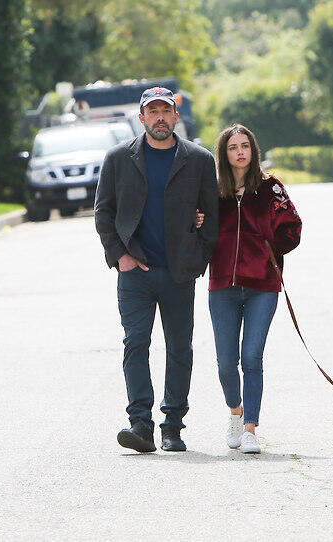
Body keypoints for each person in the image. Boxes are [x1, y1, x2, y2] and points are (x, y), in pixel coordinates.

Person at [94, 87, 219, 453]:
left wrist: (198, 260)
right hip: (135, 273)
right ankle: (140, 424)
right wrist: (121, 256)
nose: (160, 117)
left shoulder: (198, 160)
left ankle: (173, 425)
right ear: (141, 117)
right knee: (136, 343)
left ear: (176, 116)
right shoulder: (118, 159)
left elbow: (211, 217)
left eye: (166, 110)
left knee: (180, 348)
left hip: (179, 272)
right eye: (153, 112)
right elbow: (104, 213)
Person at [196, 124, 302, 453]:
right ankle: (235, 413)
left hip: (262, 285)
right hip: (222, 285)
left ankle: (250, 429)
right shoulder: (213, 191)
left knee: (251, 357)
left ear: (253, 150)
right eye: (233, 147)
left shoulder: (271, 188)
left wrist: (269, 248)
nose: (240, 151)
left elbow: (293, 229)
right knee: (226, 363)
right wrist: (197, 223)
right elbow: (195, 231)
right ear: (224, 154)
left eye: (245, 146)